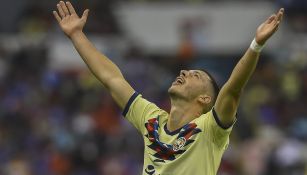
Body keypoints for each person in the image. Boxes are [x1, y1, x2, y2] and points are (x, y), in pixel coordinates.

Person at [53, 2, 284, 174]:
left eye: (195, 75)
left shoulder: (211, 129)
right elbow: (111, 78)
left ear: (205, 99)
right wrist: (76, 35)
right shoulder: (151, 120)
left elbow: (233, 88)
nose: (184, 72)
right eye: (186, 71)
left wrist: (256, 44)